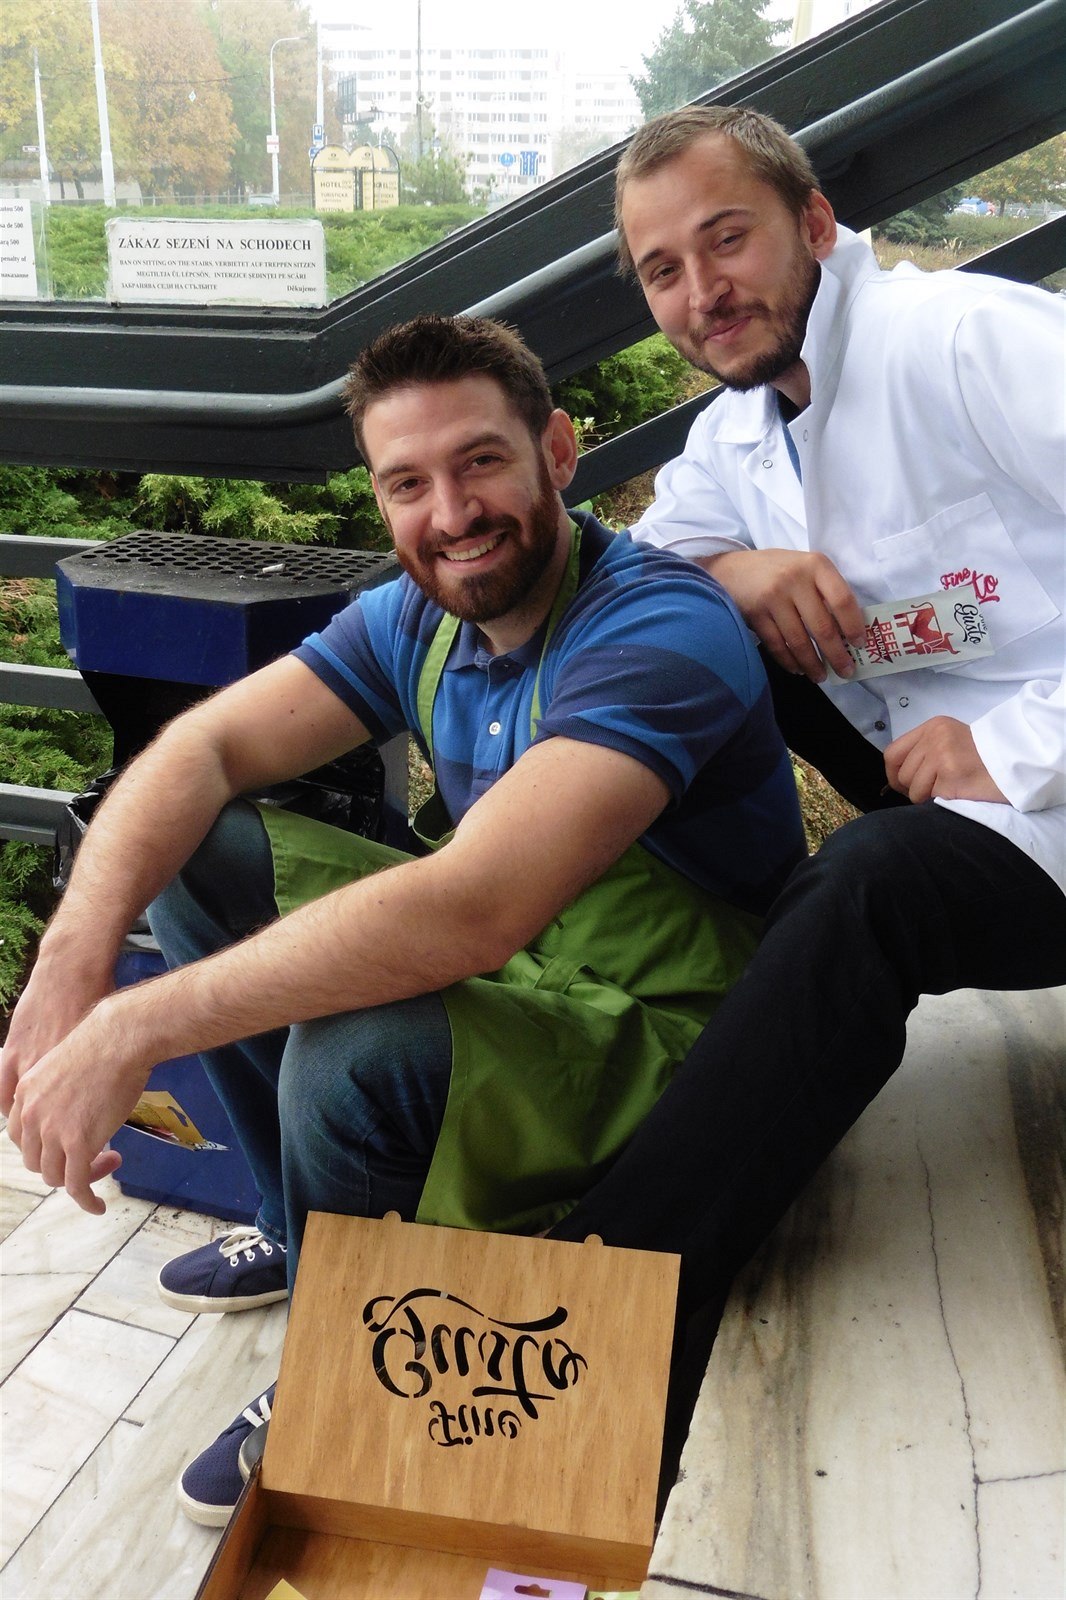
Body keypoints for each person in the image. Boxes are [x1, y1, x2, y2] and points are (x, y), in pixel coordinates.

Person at [1, 312, 806, 1522]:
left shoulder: (657, 627)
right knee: (197, 853)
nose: (452, 512)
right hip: (533, 967)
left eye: (481, 461)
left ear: (558, 450)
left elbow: (471, 910)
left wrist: (131, 1026)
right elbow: (204, 749)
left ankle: (347, 1369)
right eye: (408, 483)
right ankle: (299, 1225)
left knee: (354, 1050)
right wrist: (72, 963)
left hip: (675, 1036)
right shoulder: (419, 617)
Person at [548, 106, 1066, 1310]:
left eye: (726, 239)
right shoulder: (736, 436)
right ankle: (717, 1007)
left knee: (866, 885)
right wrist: (737, 573)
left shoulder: (962, 340)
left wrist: (1020, 743)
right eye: (662, 270)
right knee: (698, 630)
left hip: (1032, 771)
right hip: (943, 785)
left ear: (817, 225)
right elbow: (628, 577)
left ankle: (598, 1294)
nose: (701, 293)